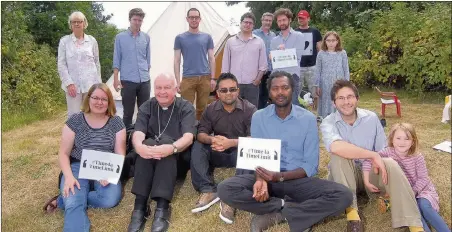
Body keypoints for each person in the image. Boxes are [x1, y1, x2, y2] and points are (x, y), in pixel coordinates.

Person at [218, 71, 353, 232]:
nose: (280, 92)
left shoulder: (308, 119)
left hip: (297, 180)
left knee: (343, 195)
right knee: (225, 188)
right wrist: (260, 179)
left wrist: (280, 176)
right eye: (275, 88)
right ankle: (285, 206)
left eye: (285, 87)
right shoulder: (259, 117)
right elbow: (257, 154)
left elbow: (310, 166)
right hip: (268, 178)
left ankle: (282, 214)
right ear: (269, 92)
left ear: (292, 90)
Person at [320, 80, 425, 232]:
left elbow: (383, 149)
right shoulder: (328, 122)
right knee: (339, 156)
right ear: (333, 103)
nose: (346, 102)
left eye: (350, 96)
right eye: (341, 98)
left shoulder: (371, 118)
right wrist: (372, 155)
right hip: (343, 176)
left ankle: (414, 225)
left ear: (357, 99)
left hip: (370, 172)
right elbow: (336, 146)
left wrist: (376, 160)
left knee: (389, 162)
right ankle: (352, 216)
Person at [42, 83, 126, 232]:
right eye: (95, 98)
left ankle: (63, 200)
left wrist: (111, 173)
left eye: (104, 99)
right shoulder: (75, 121)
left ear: (109, 102)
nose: (99, 102)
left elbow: (120, 152)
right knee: (74, 204)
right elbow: (63, 153)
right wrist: (68, 177)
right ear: (88, 99)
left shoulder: (116, 122)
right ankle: (72, 203)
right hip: (78, 165)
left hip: (104, 166)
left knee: (110, 199)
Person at [126, 73, 196, 232]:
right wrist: (139, 147)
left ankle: (162, 208)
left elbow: (188, 137)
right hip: (150, 157)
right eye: (158, 88)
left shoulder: (186, 107)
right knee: (147, 144)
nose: (162, 92)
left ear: (176, 89)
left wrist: (171, 148)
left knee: (165, 143)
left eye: (167, 87)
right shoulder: (147, 106)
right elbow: (138, 133)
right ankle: (139, 208)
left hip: (177, 157)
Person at [190, 73, 257, 224]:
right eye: (224, 90)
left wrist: (231, 143)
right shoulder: (210, 109)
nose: (229, 93)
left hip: (239, 154)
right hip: (217, 150)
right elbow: (201, 133)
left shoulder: (250, 109)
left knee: (252, 151)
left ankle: (231, 195)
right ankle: (208, 189)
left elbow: (255, 138)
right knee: (198, 145)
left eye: (232, 89)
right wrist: (212, 139)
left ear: (238, 91)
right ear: (218, 93)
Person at [362, 123, 451, 232]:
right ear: (392, 140)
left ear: (413, 141)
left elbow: (423, 179)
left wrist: (412, 192)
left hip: (422, 190)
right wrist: (366, 181)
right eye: (398, 138)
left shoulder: (417, 157)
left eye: (407, 139)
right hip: (404, 193)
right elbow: (369, 159)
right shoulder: (387, 152)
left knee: (423, 205)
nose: (402, 142)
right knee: (414, 210)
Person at [174, 8, 216, 120]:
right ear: (187, 19)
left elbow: (212, 58)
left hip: (205, 77)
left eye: (196, 17)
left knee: (202, 109)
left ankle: (200, 133)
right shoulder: (180, 38)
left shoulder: (207, 37)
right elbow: (177, 60)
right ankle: (187, 132)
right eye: (191, 17)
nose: (194, 19)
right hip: (187, 78)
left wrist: (213, 78)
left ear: (200, 19)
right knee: (185, 108)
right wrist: (178, 81)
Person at [58, 11, 102, 118]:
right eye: (74, 22)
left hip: (90, 85)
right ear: (71, 24)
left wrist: (99, 84)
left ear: (84, 23)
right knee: (74, 116)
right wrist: (69, 83)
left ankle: (91, 135)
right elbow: (61, 64)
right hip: (73, 87)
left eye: (79, 21)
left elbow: (96, 62)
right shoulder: (64, 41)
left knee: (91, 114)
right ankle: (74, 135)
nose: (77, 24)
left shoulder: (92, 41)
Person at [113, 8, 151, 129]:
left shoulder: (146, 37)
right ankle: (126, 140)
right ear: (130, 20)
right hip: (127, 81)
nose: (137, 22)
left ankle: (142, 138)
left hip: (144, 81)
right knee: (128, 113)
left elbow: (148, 59)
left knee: (144, 112)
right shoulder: (120, 37)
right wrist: (115, 79)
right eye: (135, 19)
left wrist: (147, 74)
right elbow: (116, 59)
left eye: (140, 20)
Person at [222, 12, 268, 108]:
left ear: (253, 26)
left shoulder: (259, 42)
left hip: (252, 85)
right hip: (234, 84)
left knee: (252, 111)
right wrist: (226, 82)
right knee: (233, 110)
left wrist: (257, 80)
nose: (247, 25)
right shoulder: (230, 42)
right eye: (245, 22)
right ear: (241, 23)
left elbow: (263, 65)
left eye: (250, 23)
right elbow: (225, 64)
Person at [270, 8, 304, 107]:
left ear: (289, 20)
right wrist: (276, 53)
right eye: (279, 21)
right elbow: (271, 58)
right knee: (277, 105)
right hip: (276, 76)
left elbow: (297, 56)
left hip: (292, 76)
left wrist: (280, 52)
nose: (282, 23)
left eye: (284, 20)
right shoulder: (274, 40)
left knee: (293, 105)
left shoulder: (299, 36)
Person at [314, 31, 350, 119]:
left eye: (333, 40)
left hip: (339, 82)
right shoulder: (321, 54)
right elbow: (318, 70)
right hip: (325, 83)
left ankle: (340, 116)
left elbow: (346, 69)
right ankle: (326, 118)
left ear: (337, 41)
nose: (331, 43)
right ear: (325, 41)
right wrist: (317, 85)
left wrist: (347, 84)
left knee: (338, 98)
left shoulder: (342, 53)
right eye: (328, 40)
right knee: (326, 100)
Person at [294, 10, 322, 110]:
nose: (300, 20)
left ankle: (317, 111)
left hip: (312, 66)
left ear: (308, 19)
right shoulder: (294, 32)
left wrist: (320, 65)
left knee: (315, 90)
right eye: (299, 18)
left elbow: (320, 49)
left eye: (303, 18)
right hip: (298, 66)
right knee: (296, 90)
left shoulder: (315, 31)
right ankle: (298, 110)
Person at [253, 12, 276, 109]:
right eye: (266, 20)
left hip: (270, 69)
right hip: (257, 70)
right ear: (262, 21)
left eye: (270, 21)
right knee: (257, 94)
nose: (268, 22)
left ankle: (263, 114)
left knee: (266, 95)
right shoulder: (254, 33)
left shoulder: (274, 35)